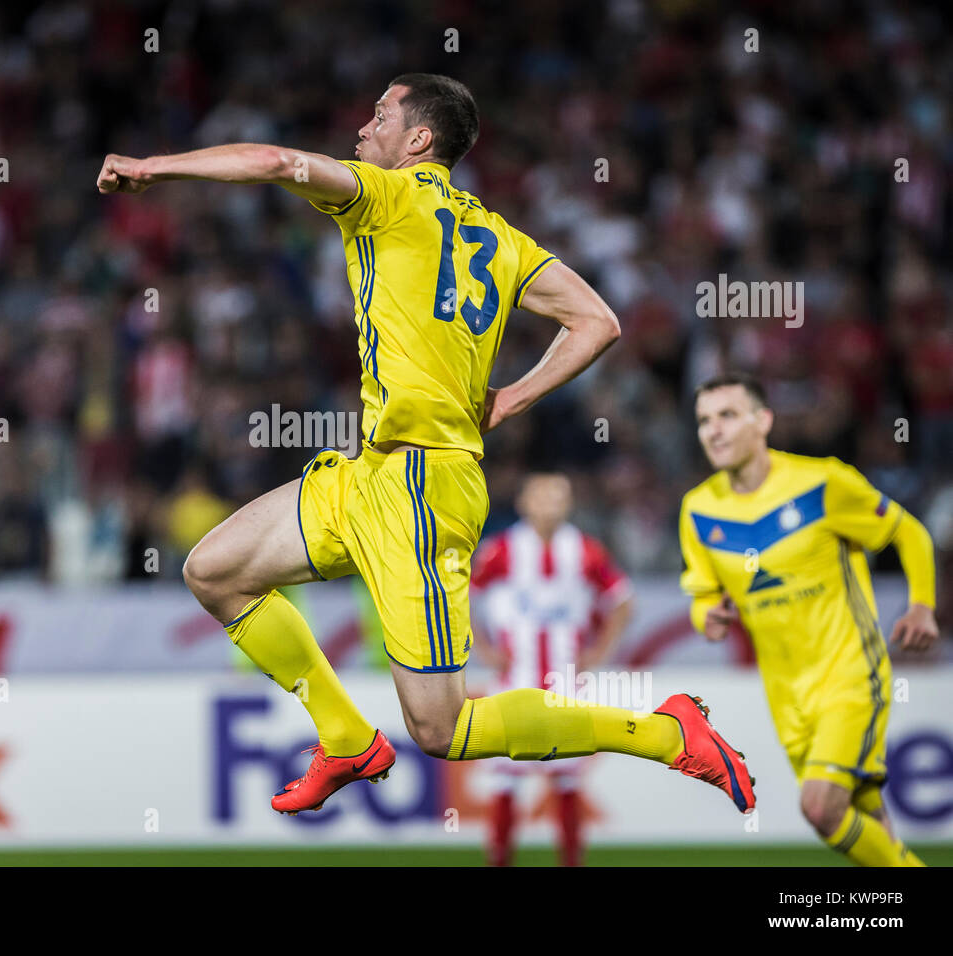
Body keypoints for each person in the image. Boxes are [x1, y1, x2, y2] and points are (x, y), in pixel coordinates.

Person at [99, 73, 754, 816]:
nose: (362, 126)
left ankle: (665, 733)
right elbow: (597, 320)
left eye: (380, 115)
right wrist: (509, 398)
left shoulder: (385, 197)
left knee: (443, 729)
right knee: (214, 571)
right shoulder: (501, 238)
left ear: (418, 141)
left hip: (422, 488)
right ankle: (346, 738)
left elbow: (280, 163)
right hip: (370, 472)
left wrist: (155, 167)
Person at [680, 372, 936, 865]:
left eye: (728, 416)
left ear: (764, 421)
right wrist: (705, 617)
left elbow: (909, 532)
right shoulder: (699, 510)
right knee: (862, 814)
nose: (714, 430)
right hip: (785, 695)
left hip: (850, 676)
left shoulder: (823, 482)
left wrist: (921, 604)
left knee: (819, 807)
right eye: (704, 421)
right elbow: (701, 595)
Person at [473, 473, 634, 865]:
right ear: (524, 502)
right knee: (505, 781)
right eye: (540, 495)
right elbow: (462, 599)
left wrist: (599, 650)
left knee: (566, 780)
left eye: (557, 496)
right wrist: (483, 649)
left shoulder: (585, 550)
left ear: (569, 503)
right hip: (514, 684)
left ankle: (571, 860)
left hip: (566, 687)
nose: (548, 503)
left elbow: (623, 602)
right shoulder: (502, 550)